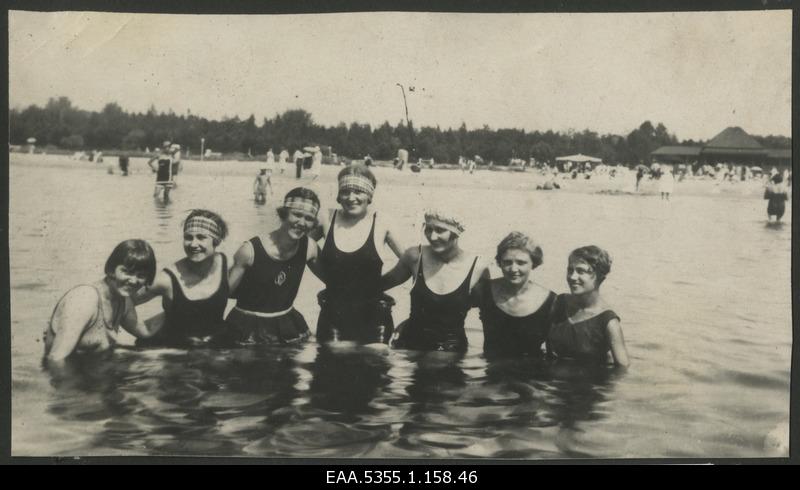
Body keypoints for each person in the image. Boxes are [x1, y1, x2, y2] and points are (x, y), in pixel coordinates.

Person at [316, 165, 405, 344]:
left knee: (373, 363)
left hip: (375, 317)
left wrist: (379, 285)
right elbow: (299, 249)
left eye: (359, 192)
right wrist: (329, 279)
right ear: (338, 195)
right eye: (345, 192)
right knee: (331, 363)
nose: (351, 198)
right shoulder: (326, 218)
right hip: (333, 314)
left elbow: (411, 261)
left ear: (369, 196)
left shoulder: (382, 222)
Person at [382, 208, 490, 353]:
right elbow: (377, 286)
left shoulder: (478, 267)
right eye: (428, 229)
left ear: (456, 233)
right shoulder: (415, 256)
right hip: (410, 343)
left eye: (440, 230)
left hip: (450, 347)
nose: (432, 237)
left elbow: (489, 314)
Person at [225, 188, 324, 345]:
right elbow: (223, 294)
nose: (302, 223)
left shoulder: (310, 248)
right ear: (283, 214)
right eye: (297, 215)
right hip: (247, 327)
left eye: (309, 218)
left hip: (288, 324)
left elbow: (334, 281)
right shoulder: (250, 251)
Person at [43, 240, 159, 363]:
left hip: (95, 371)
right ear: (111, 269)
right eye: (127, 272)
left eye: (141, 276)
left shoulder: (123, 300)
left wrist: (176, 306)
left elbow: (145, 331)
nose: (133, 281)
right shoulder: (85, 299)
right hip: (69, 375)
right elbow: (56, 358)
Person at [133, 210, 230, 347]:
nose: (193, 244)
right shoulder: (165, 279)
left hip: (214, 349)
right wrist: (142, 331)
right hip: (175, 355)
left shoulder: (226, 264)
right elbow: (122, 300)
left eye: (201, 237)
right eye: (188, 237)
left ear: (216, 241)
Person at [474, 232, 556, 358]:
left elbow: (554, 350)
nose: (513, 269)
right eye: (507, 262)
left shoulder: (550, 301)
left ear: (533, 263)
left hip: (533, 374)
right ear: (499, 263)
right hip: (491, 373)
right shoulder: (484, 290)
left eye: (521, 262)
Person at [546, 246, 630, 367]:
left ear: (600, 277)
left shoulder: (608, 321)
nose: (572, 277)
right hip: (550, 382)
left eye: (581, 271)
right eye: (570, 270)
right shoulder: (559, 303)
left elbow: (622, 369)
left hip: (586, 384)